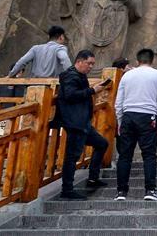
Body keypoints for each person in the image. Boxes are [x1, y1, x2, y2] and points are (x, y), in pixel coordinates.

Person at [56, 49, 111, 199]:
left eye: (93, 64)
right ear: (79, 62)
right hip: (74, 122)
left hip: (82, 122)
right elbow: (70, 95)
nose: (91, 67)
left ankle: (93, 178)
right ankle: (67, 190)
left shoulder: (79, 75)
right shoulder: (70, 76)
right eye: (89, 63)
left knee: (102, 144)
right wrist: (92, 90)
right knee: (72, 157)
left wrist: (92, 90)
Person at [114, 48, 157, 201]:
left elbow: (119, 102)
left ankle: (121, 192)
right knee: (149, 155)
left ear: (137, 61)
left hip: (128, 116)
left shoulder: (127, 76)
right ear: (152, 61)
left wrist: (120, 121)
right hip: (147, 116)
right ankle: (150, 190)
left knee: (124, 155)